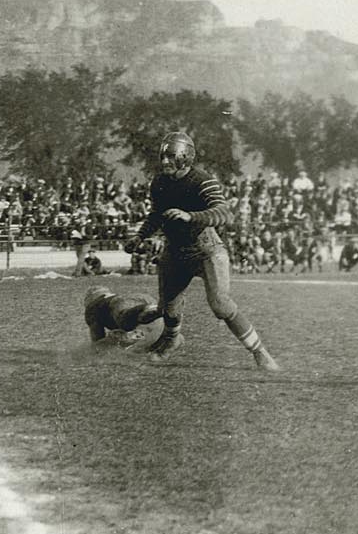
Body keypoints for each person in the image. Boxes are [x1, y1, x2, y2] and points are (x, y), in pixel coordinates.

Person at [124, 132, 280, 370]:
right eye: (162, 157)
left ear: (185, 157)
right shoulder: (159, 183)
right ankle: (171, 340)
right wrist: (139, 236)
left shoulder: (202, 180)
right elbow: (156, 215)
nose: (165, 161)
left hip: (206, 249)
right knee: (169, 306)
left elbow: (223, 212)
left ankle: (259, 351)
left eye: (170, 156)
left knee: (220, 304)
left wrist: (191, 216)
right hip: (175, 250)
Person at [83, 286, 159, 346]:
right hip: (144, 297)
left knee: (124, 321)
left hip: (120, 304)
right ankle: (154, 308)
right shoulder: (110, 297)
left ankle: (145, 308)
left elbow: (97, 340)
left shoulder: (92, 307)